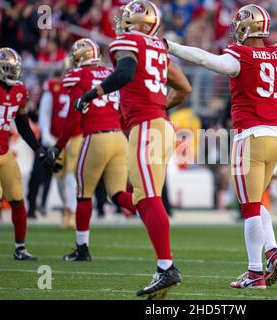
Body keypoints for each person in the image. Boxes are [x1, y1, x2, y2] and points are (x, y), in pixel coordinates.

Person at [166, 4, 277, 289]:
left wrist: (172, 47)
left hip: (249, 136)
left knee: (248, 206)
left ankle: (254, 272)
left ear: (245, 27)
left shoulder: (241, 55)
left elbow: (207, 60)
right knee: (256, 198)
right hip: (275, 137)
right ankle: (272, 251)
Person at [65, 0, 192, 299]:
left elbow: (125, 73)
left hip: (147, 128)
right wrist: (160, 105)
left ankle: (166, 267)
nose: (121, 21)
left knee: (147, 197)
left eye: (127, 17)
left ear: (139, 23)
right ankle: (164, 268)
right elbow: (184, 87)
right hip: (159, 126)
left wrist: (92, 93)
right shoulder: (159, 49)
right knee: (143, 197)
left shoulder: (128, 42)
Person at [46, 38, 136, 262]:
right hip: (118, 138)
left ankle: (82, 249)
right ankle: (150, 212)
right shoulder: (109, 73)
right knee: (117, 194)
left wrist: (58, 146)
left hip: (96, 138)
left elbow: (74, 116)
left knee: (83, 193)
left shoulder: (78, 76)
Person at [0, 47, 47, 261]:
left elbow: (22, 125)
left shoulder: (20, 90)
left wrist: (39, 150)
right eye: (7, 69)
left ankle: (20, 248)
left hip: (3, 149)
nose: (12, 73)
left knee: (17, 199)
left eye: (14, 69)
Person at [38, 65, 83, 228]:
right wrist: (47, 136)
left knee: (72, 175)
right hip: (58, 139)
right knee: (60, 178)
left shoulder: (83, 87)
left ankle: (72, 211)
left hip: (76, 136)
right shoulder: (54, 87)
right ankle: (67, 207)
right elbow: (45, 112)